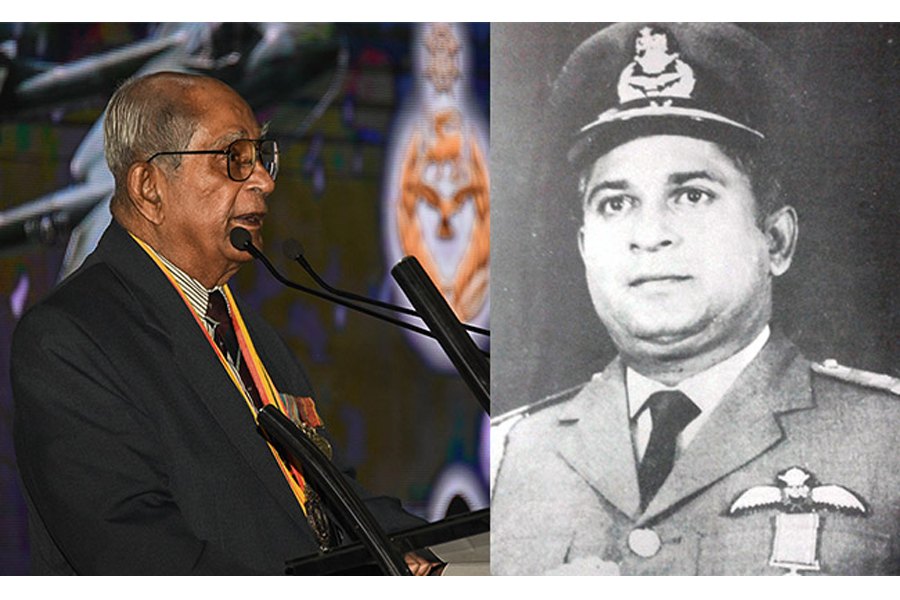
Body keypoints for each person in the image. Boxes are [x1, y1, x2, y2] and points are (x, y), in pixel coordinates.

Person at [491, 23, 900, 576]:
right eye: (616, 203)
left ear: (776, 240)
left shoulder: (887, 441)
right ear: (585, 247)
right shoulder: (504, 455)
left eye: (691, 194)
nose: (650, 233)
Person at [12, 71, 436, 575]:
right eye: (234, 158)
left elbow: (328, 498)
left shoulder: (247, 331)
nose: (264, 179)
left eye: (261, 156)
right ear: (150, 188)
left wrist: (445, 552)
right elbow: (140, 554)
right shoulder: (70, 339)